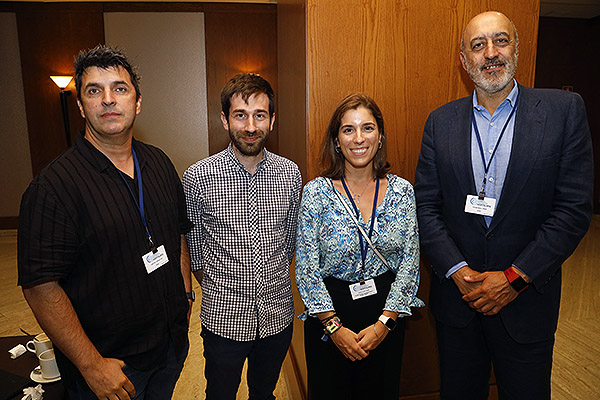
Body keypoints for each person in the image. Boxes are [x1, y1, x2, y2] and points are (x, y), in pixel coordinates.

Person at [414, 11, 593, 400]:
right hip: (459, 304)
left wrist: (514, 279)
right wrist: (459, 272)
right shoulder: (439, 123)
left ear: (517, 49)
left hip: (527, 302)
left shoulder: (563, 112)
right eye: (478, 45)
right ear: (464, 60)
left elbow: (573, 209)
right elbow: (426, 208)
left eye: (500, 40)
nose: (490, 53)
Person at [17, 45, 193, 400]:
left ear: (137, 102)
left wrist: (186, 294)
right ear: (81, 106)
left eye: (120, 88)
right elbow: (40, 286)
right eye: (94, 91)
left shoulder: (158, 162)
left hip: (170, 345)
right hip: (111, 365)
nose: (109, 99)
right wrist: (91, 365)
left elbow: (176, 234)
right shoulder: (53, 187)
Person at [295, 93, 424, 399]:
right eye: (348, 129)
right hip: (330, 311)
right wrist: (333, 328)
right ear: (337, 141)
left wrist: (384, 325)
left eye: (367, 128)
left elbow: (410, 261)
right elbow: (306, 267)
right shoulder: (316, 193)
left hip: (385, 311)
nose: (358, 138)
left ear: (380, 137)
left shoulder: (402, 191)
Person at [182, 73, 302, 400]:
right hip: (223, 320)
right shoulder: (197, 177)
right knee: (220, 394)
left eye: (259, 115)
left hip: (277, 317)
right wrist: (228, 286)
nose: (251, 126)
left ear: (272, 119)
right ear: (224, 119)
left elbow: (289, 242)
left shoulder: (290, 174)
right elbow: (195, 252)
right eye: (240, 115)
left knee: (264, 394)